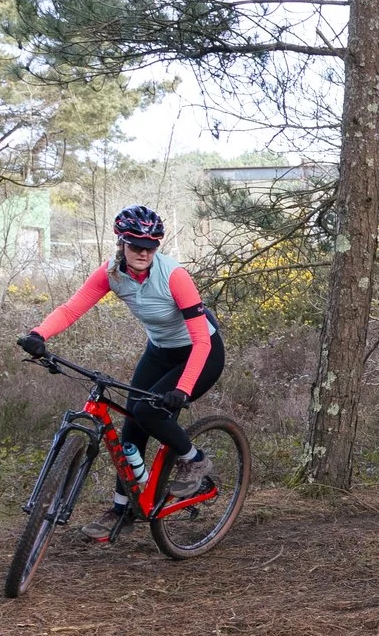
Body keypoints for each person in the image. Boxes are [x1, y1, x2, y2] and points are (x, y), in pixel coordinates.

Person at [18, 205, 226, 542]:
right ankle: (122, 511)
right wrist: (39, 334)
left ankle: (195, 460)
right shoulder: (110, 274)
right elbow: (72, 308)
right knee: (131, 426)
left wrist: (183, 389)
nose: (143, 252)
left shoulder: (174, 276)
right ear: (121, 244)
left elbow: (201, 339)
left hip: (201, 353)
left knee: (149, 412)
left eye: (151, 246)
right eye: (135, 245)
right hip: (159, 351)